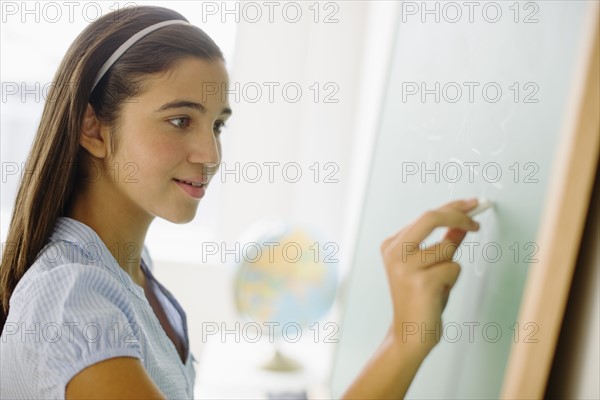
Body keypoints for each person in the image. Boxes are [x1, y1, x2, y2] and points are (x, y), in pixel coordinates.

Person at [0, 5, 481, 399]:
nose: (211, 154)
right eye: (180, 120)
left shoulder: (127, 271)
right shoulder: (73, 302)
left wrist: (408, 340)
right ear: (93, 129)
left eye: (217, 124)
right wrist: (402, 343)